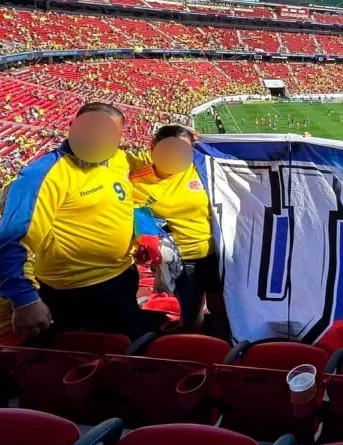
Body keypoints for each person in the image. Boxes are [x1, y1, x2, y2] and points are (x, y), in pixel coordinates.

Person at [0, 103, 153, 340]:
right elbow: (12, 239)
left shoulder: (119, 158)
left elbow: (148, 165)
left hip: (121, 274)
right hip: (78, 289)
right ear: (72, 127)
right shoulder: (43, 175)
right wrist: (24, 300)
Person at [129, 125, 227, 335]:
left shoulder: (201, 166)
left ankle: (225, 351)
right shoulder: (138, 182)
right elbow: (141, 218)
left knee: (222, 309)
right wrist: (147, 243)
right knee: (192, 314)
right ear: (153, 147)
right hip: (185, 259)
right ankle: (195, 355)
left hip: (219, 253)